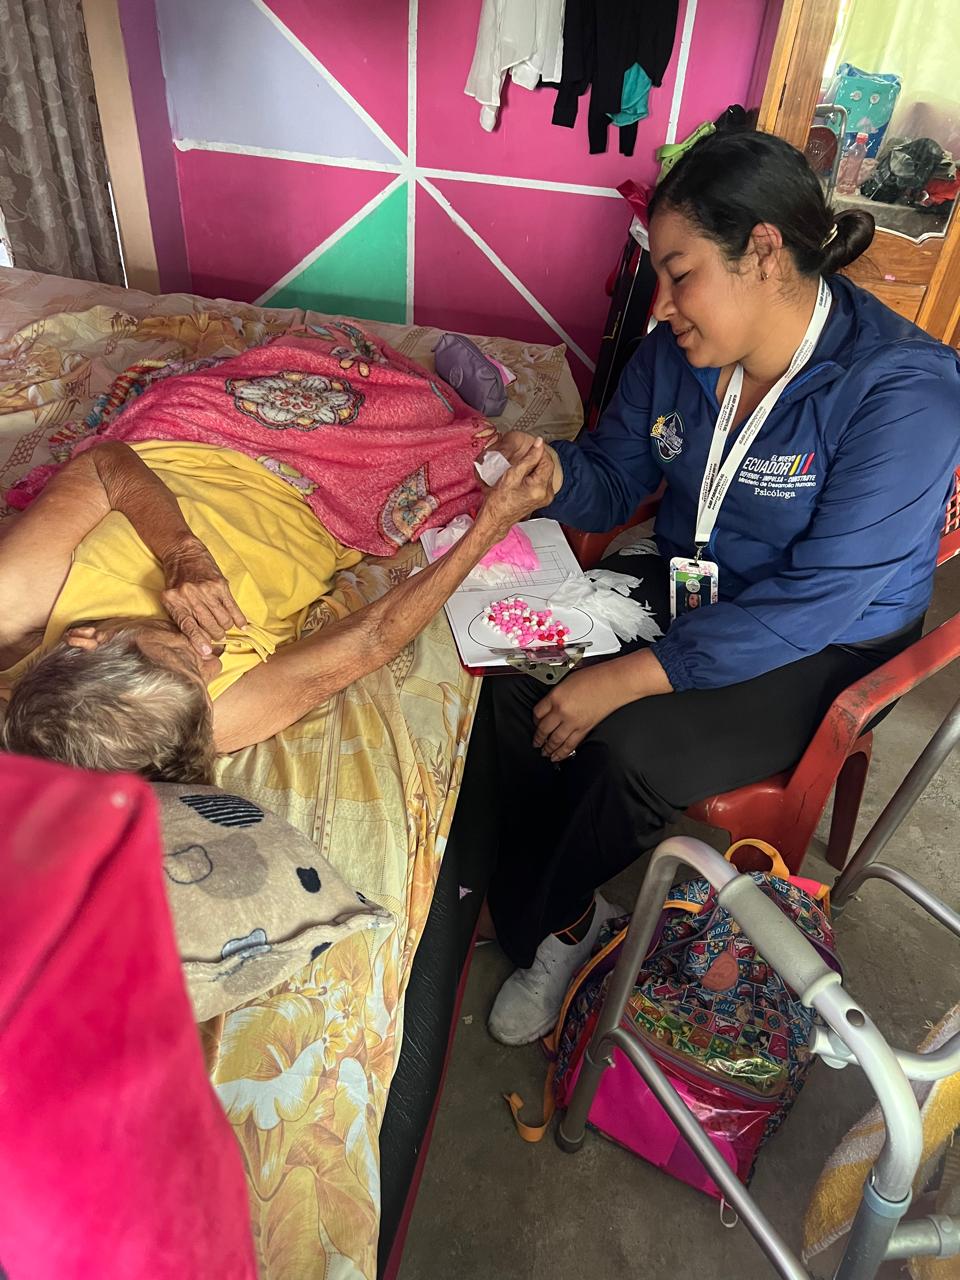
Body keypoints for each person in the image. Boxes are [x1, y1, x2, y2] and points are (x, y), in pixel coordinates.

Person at [478, 129, 960, 1047]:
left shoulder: (905, 391)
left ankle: (544, 924)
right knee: (513, 669)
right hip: (690, 576)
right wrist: (554, 475)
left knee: (622, 749)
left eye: (680, 273)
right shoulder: (677, 350)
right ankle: (565, 915)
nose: (660, 305)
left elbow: (817, 599)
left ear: (765, 253)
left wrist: (627, 677)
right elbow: (615, 478)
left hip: (827, 640)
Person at [0, 436, 554, 779]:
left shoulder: (15, 596)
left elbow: (107, 462)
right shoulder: (192, 720)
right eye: (205, 680)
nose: (213, 659)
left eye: (182, 655)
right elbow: (372, 640)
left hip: (216, 441)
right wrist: (492, 524)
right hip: (333, 512)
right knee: (499, 457)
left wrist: (182, 552)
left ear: (88, 639)